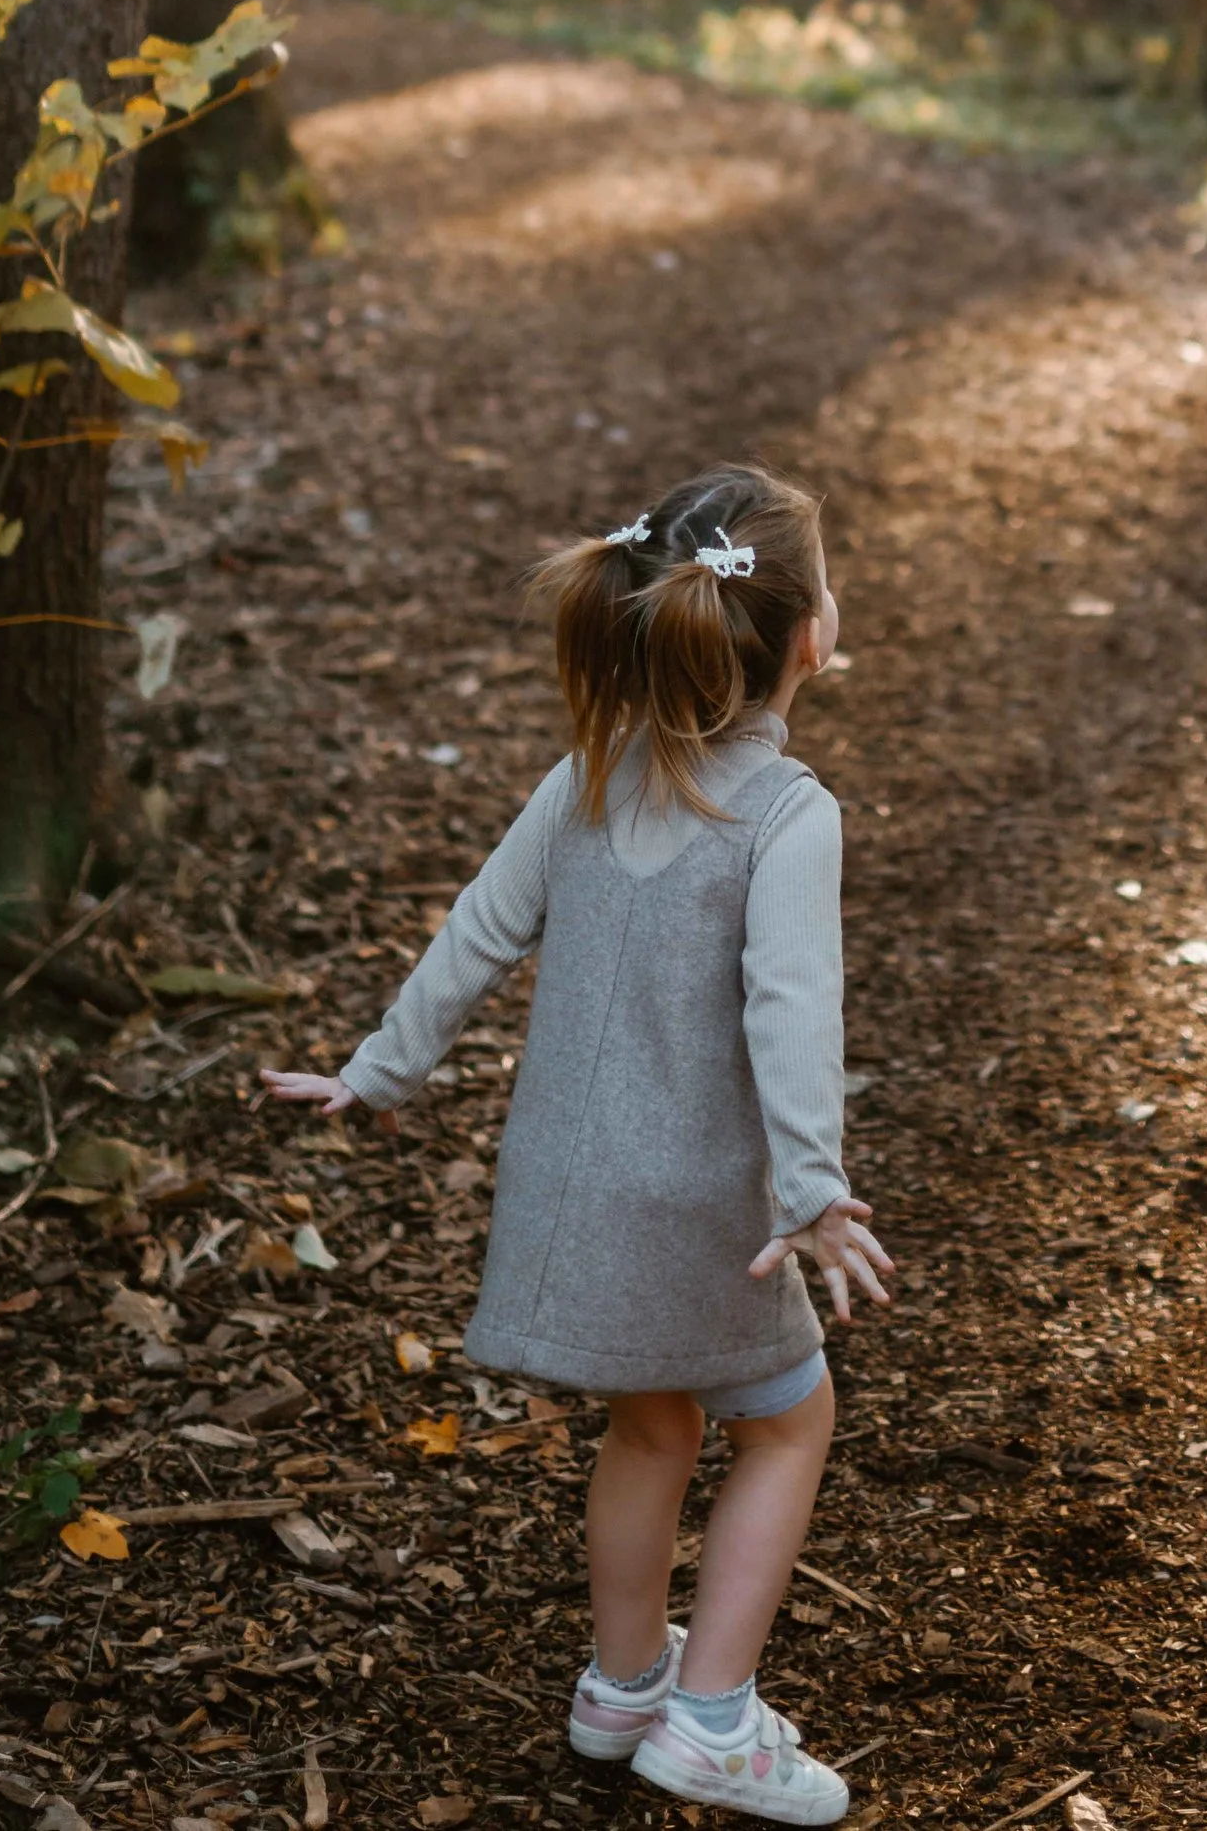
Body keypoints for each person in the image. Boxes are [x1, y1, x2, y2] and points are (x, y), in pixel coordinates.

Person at [265, 463, 891, 1823]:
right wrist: (817, 1190)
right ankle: (713, 1716)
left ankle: (621, 1683)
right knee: (791, 1422)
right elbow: (792, 1016)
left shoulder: (588, 776)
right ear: (805, 637)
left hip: (567, 1191)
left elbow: (476, 929)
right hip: (699, 1207)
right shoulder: (789, 815)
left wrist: (378, 1067)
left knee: (650, 1420)